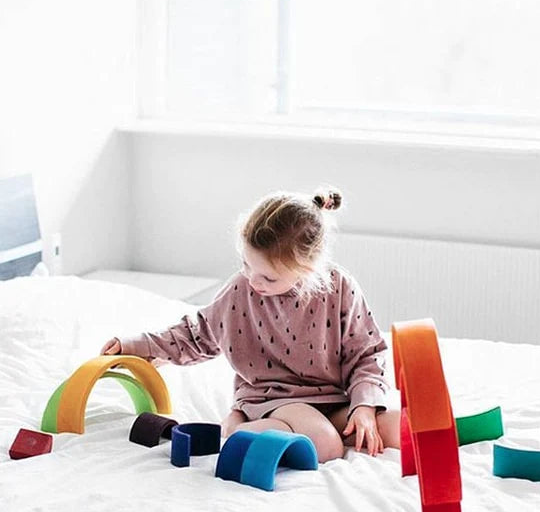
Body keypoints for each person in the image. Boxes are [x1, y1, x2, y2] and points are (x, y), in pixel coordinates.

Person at [101, 187, 400, 462]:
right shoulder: (240, 290)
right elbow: (197, 333)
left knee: (398, 426)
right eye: (246, 265)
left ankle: (245, 426)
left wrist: (363, 407)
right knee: (326, 444)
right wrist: (135, 345)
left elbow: (366, 353)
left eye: (269, 277)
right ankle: (239, 429)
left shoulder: (340, 288)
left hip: (335, 399)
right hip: (274, 398)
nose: (253, 281)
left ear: (307, 268)